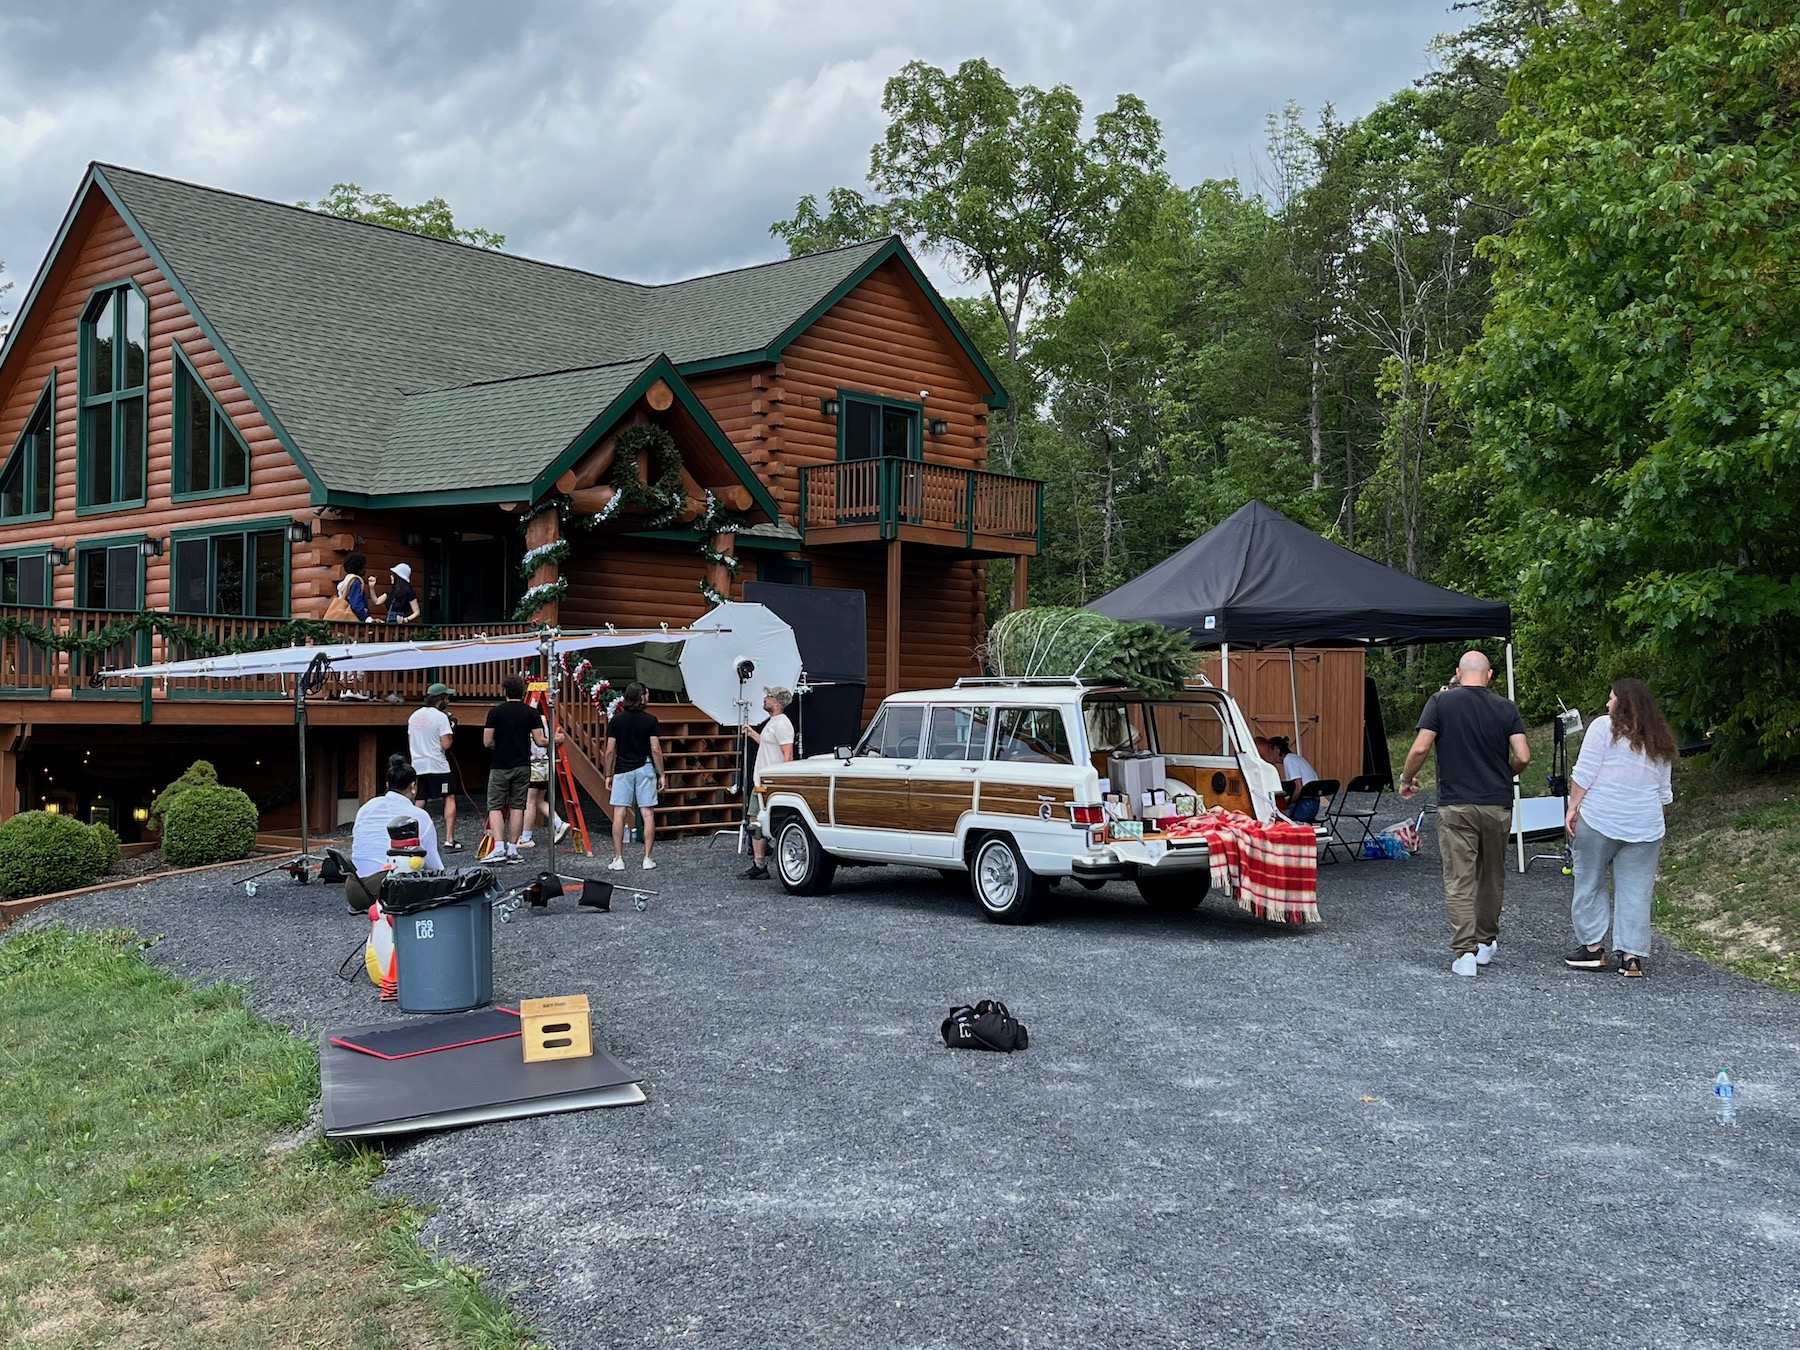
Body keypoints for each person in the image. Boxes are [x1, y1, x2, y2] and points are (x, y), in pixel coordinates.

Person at [1399, 650, 1530, 978]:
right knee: (1492, 876)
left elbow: (1420, 747)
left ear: (1458, 672)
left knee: (1459, 879)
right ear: (1489, 675)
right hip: (1497, 804)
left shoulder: (1441, 703)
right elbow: (1524, 756)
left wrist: (1406, 778)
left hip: (1456, 804)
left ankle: (1466, 953)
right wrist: (1506, 771)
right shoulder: (1506, 707)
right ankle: (1486, 943)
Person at [1563, 679, 1676, 977]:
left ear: (1623, 703)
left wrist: (1573, 808)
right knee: (1637, 891)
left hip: (1601, 817)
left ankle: (1592, 949)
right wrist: (1656, 824)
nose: (1607, 704)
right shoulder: (1659, 738)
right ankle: (1631, 957)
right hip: (1645, 825)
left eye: (1611, 698)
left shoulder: (1603, 727)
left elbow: (1584, 772)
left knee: (1590, 881)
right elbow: (1664, 792)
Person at [345, 755, 444, 912]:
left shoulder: (366, 808)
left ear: (387, 784)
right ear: (413, 786)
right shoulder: (418, 816)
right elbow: (435, 867)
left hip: (353, 888)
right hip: (387, 889)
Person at [483, 673, 546, 864]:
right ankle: (513, 848)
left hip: (500, 764)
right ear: (523, 691)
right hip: (522, 764)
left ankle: (499, 847)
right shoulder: (531, 713)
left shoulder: (495, 712)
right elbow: (539, 740)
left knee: (495, 805)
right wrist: (556, 740)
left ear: (505, 691)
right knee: (518, 805)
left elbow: (487, 742)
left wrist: (500, 744)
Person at [603, 680, 665, 871]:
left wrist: (608, 774)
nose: (648, 697)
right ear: (641, 697)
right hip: (645, 767)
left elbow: (610, 751)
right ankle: (647, 858)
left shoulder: (616, 720)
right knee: (647, 813)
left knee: (619, 813)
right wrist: (661, 773)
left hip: (622, 769)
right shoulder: (650, 720)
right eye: (646, 694)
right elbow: (655, 749)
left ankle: (619, 858)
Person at [739, 687, 796, 880]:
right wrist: (752, 733)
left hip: (771, 781)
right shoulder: (773, 723)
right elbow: (766, 742)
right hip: (761, 780)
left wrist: (785, 779)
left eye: (769, 697)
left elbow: (788, 753)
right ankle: (759, 864)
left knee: (760, 821)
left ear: (777, 704)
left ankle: (765, 858)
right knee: (754, 820)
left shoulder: (783, 724)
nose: (765, 699)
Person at [407, 682, 461, 851]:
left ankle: (410, 837)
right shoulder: (441, 717)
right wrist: (451, 730)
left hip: (418, 764)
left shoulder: (413, 716)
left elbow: (411, 740)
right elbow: (446, 744)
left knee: (420, 800)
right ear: (440, 700)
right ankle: (449, 839)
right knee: (449, 797)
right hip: (438, 765)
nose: (449, 701)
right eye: (447, 698)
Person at [520, 734, 572, 849]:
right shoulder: (545, 722)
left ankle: (526, 837)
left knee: (530, 802)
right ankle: (559, 823)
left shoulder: (531, 721)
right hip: (545, 765)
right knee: (539, 800)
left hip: (532, 765)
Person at [1269, 734, 1321, 821]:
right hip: (1313, 805)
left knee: (1275, 814)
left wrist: (1288, 802)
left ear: (1276, 750)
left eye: (1269, 750)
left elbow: (1298, 787)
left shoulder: (1288, 760)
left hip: (1304, 806)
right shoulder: (1296, 758)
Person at [335, 552, 375, 624]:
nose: (365, 569)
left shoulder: (346, 581)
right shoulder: (356, 581)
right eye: (363, 567)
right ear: (358, 568)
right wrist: (367, 618)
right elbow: (356, 604)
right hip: (353, 621)